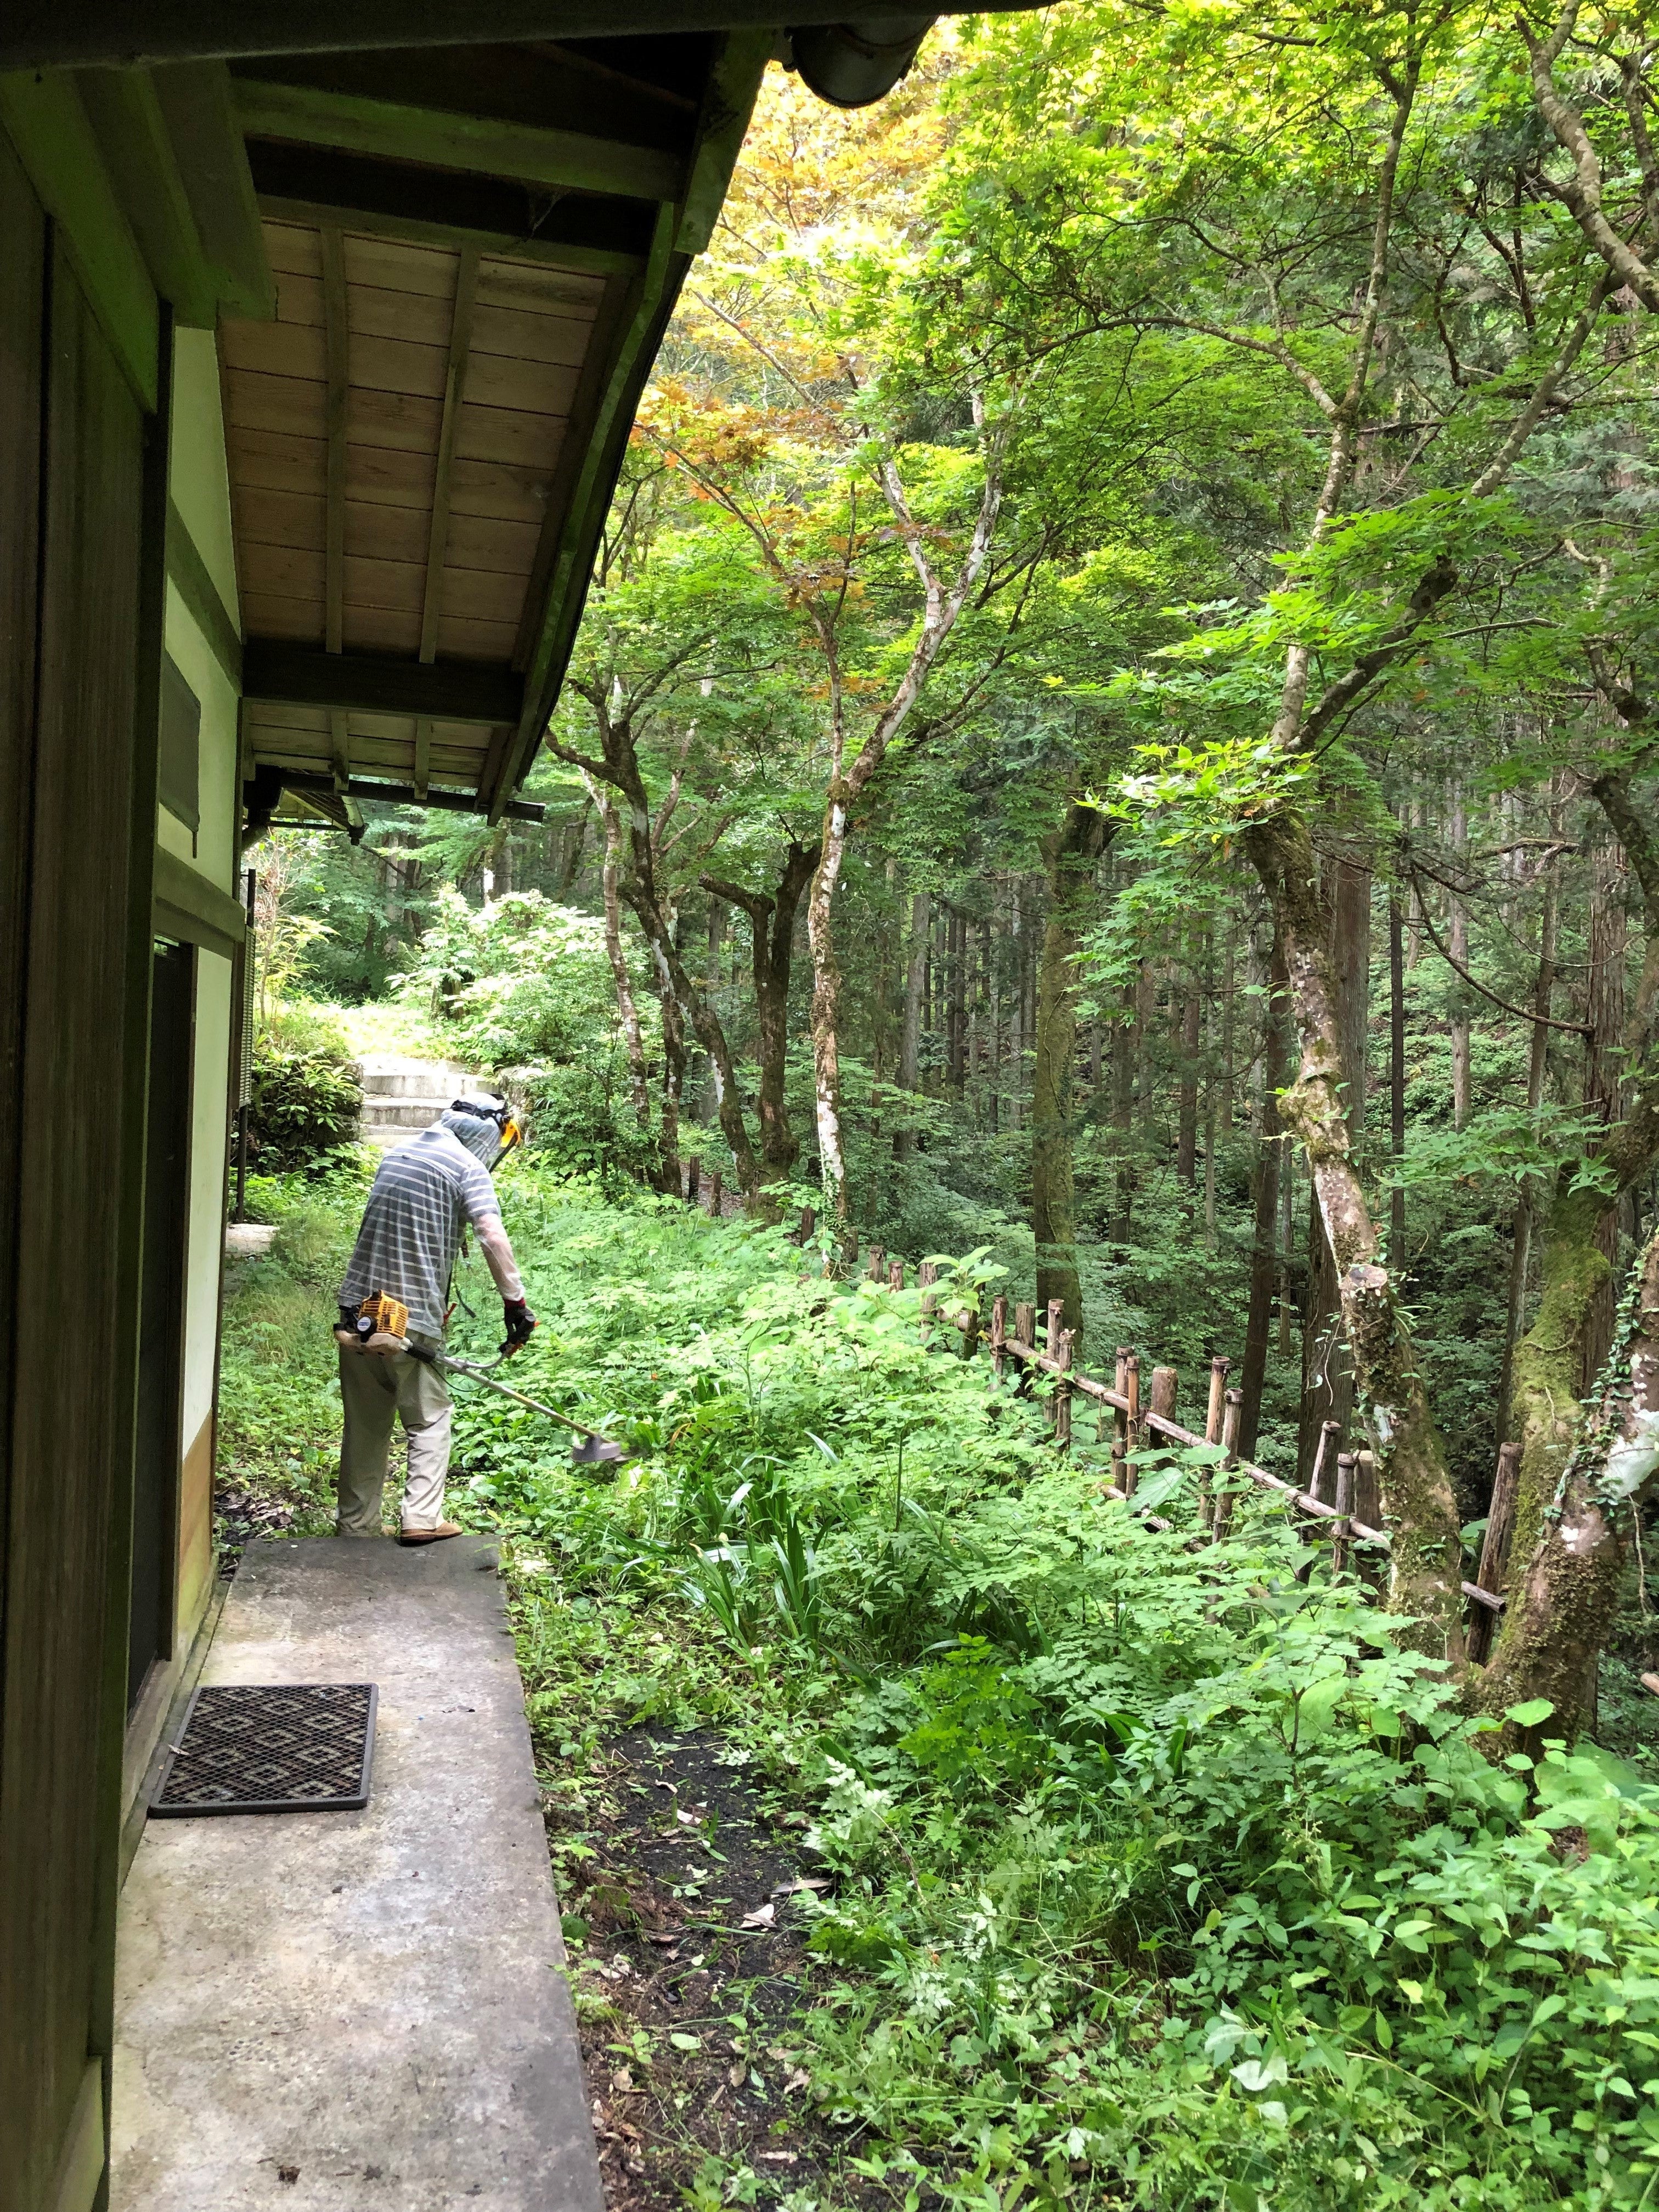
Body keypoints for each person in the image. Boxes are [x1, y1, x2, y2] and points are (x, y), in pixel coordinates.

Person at [334, 1095, 535, 1545]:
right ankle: (421, 1519)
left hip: (357, 1311)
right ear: (486, 1134)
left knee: (365, 1424)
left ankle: (355, 1526)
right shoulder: (467, 1167)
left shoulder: (398, 1154)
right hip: (409, 1316)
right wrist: (516, 1304)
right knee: (430, 1417)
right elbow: (491, 1234)